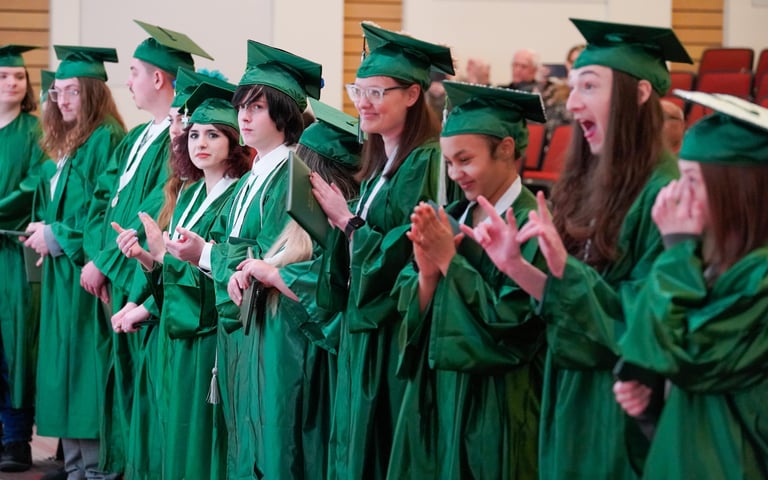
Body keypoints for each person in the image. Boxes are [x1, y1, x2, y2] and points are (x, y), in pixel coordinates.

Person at [462, 18, 692, 479]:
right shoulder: (597, 184)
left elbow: (647, 320)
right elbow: (567, 301)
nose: (575, 101)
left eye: (589, 85)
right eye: (574, 86)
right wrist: (516, 267)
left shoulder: (665, 195)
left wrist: (568, 268)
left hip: (621, 405)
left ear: (640, 93)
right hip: (573, 389)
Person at [164, 40, 321, 480]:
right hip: (245, 329)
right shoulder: (257, 174)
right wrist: (214, 255)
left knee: (273, 440)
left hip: (275, 331)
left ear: (285, 115)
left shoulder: (292, 176)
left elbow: (270, 253)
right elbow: (239, 250)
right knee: (245, 436)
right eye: (242, 107)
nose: (244, 117)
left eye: (257, 108)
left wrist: (207, 254)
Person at [309, 22, 455, 479]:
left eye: (377, 92)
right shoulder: (379, 167)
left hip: (394, 331)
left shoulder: (426, 161)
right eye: (359, 90)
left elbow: (408, 248)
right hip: (365, 326)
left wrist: (346, 220)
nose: (363, 103)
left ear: (412, 95)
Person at [387, 81, 547, 479]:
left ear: (506, 149)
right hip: (440, 394)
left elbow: (514, 325)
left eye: (465, 160)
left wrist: (449, 260)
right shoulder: (452, 216)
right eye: (449, 164)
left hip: (498, 404)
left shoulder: (533, 226)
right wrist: (426, 274)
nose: (456, 174)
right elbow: (414, 312)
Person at [80, 21, 212, 478]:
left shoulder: (181, 139)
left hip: (142, 277)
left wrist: (114, 267)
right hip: (118, 274)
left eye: (134, 71)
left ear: (159, 78)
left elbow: (154, 214)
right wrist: (97, 256)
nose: (128, 81)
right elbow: (105, 201)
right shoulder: (137, 136)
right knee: (123, 383)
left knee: (147, 387)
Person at [613, 94, 768, 479]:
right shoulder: (710, 261)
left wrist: (676, 249)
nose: (678, 194)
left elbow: (694, 358)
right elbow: (665, 355)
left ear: (736, 189)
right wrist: (654, 398)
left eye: (694, 181)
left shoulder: (760, 276)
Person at [115, 80, 250, 480]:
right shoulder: (190, 196)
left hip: (209, 332)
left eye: (213, 134)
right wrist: (147, 259)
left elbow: (216, 272)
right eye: (194, 134)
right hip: (177, 330)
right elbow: (176, 273)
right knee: (172, 429)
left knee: (198, 438)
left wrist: (160, 256)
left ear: (233, 142)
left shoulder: (235, 196)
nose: (200, 143)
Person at [227, 98, 361, 478]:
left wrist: (273, 276)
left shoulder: (338, 225)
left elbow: (332, 297)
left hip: (306, 373)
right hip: (277, 367)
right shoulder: (299, 224)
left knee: (296, 457)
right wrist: (253, 270)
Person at [23, 44, 126, 480]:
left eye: (72, 92)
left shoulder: (105, 139)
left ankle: (94, 469)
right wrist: (45, 228)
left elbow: (104, 212)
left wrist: (57, 234)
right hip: (66, 276)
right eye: (56, 92)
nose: (61, 100)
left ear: (93, 94)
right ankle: (78, 468)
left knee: (85, 371)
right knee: (66, 371)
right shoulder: (69, 145)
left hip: (87, 275)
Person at [0, 44, 46, 473]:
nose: (12, 83)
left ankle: (16, 440)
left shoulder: (36, 130)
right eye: (3, 77)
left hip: (14, 253)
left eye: (18, 77)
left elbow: (34, 186)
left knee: (14, 345)